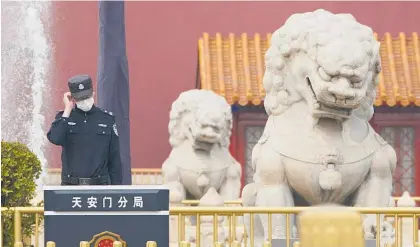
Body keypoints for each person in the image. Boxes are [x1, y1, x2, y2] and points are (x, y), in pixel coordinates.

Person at [47, 74, 122, 185]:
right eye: (80, 98)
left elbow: (114, 156)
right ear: (72, 98)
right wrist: (67, 109)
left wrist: (117, 189)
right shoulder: (65, 118)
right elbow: (55, 138)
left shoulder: (107, 119)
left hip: (99, 186)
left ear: (93, 94)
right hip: (71, 186)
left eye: (86, 96)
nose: (84, 101)